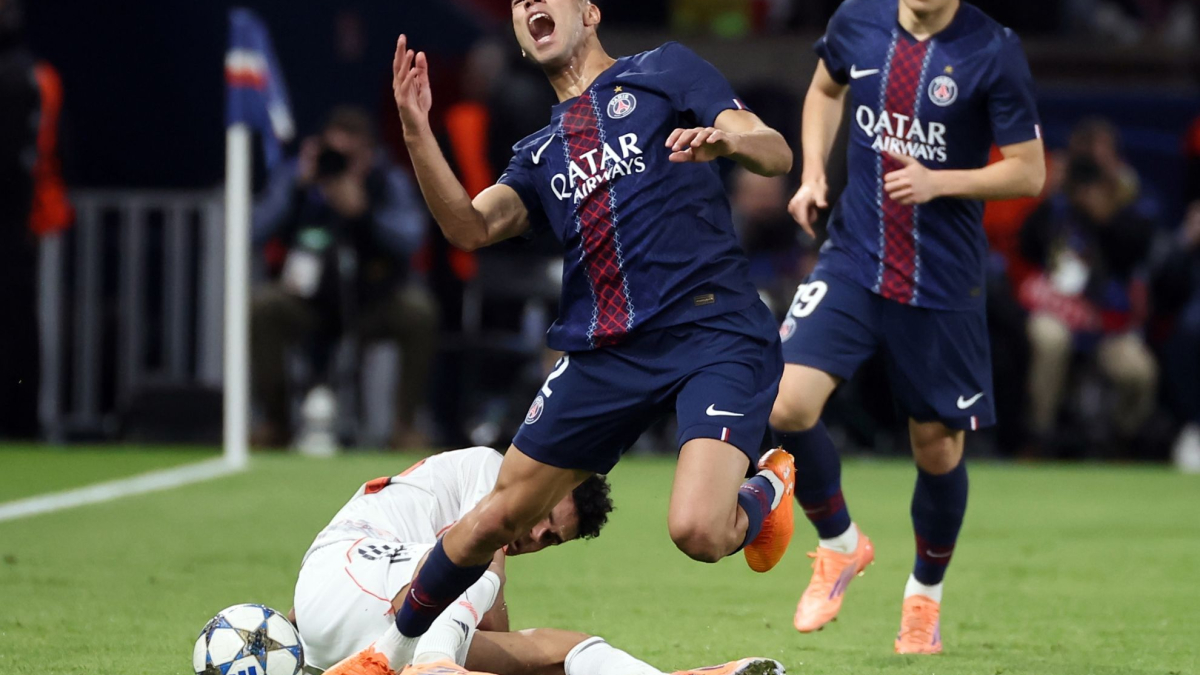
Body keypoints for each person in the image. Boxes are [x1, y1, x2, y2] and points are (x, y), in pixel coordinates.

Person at [331, 1, 801, 671]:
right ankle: (387, 653)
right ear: (521, 39)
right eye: (519, 3)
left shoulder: (662, 71)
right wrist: (415, 132)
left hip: (711, 325)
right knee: (494, 518)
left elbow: (774, 149)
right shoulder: (540, 151)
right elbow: (467, 227)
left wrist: (730, 142)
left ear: (590, 10)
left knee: (698, 530)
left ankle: (766, 490)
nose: (529, 6)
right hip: (603, 350)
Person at [771, 0, 1045, 654]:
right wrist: (813, 172)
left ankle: (924, 596)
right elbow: (824, 87)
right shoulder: (857, 21)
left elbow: (1029, 170)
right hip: (854, 258)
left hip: (941, 281)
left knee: (937, 449)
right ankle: (839, 543)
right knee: (782, 401)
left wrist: (940, 180)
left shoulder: (991, 48)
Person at [294, 447, 781, 675]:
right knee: (471, 554)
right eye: (547, 517)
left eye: (552, 539)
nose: (537, 535)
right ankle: (434, 666)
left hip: (345, 630)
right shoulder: (493, 470)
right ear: (546, 484)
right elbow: (480, 564)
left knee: (559, 651)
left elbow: (493, 632)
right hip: (356, 573)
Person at [251, 106, 437, 449]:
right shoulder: (301, 176)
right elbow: (254, 229)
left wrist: (365, 213)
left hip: (372, 302)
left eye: (350, 156)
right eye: (334, 153)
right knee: (263, 307)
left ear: (368, 153)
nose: (340, 164)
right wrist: (298, 186)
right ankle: (275, 424)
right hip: (309, 301)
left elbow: (411, 236)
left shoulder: (387, 180)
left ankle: (404, 427)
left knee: (418, 311)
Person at [1018, 156, 1157, 453]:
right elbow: (1026, 247)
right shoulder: (1055, 213)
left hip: (1106, 326)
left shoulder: (1126, 218)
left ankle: (1120, 440)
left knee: (1139, 372)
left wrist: (1105, 218)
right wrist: (1053, 197)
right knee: (1050, 340)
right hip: (1056, 313)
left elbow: (1135, 254)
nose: (1089, 194)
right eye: (1084, 187)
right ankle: (1040, 435)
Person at [0, 0, 44, 438]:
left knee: (14, 331)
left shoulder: (17, 76)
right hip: (18, 227)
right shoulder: (27, 73)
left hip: (12, 228)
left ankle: (19, 423)